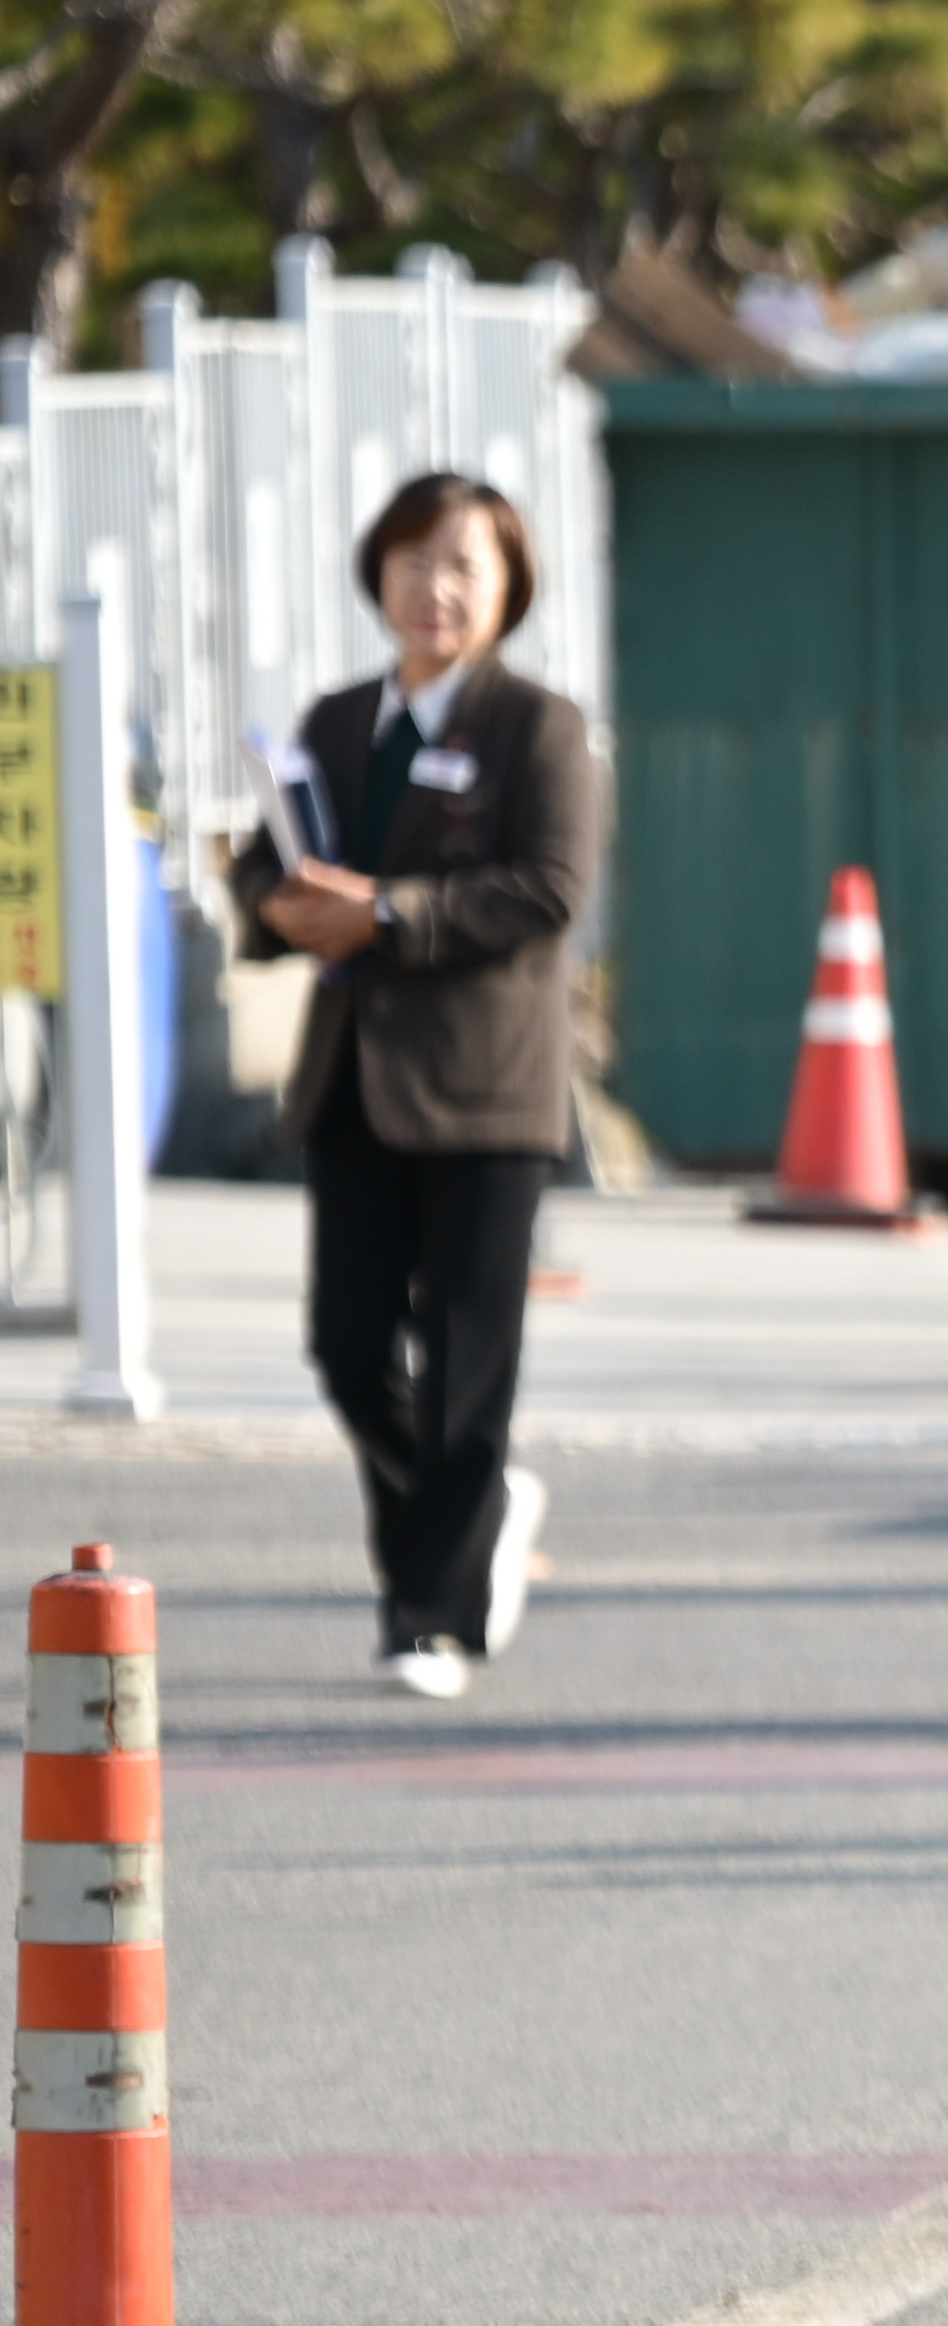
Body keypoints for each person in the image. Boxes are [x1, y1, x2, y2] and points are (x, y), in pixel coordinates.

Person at [227, 473, 597, 1702]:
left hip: (488, 1089)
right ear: (376, 574)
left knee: (465, 1356)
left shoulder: (536, 726)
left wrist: (386, 912)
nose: (432, 590)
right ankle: (474, 1514)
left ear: (506, 590)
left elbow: (546, 890)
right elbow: (266, 868)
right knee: (344, 1344)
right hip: (352, 1084)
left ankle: (428, 1613)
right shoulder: (338, 721)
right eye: (409, 562)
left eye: (461, 567)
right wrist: (276, 906)